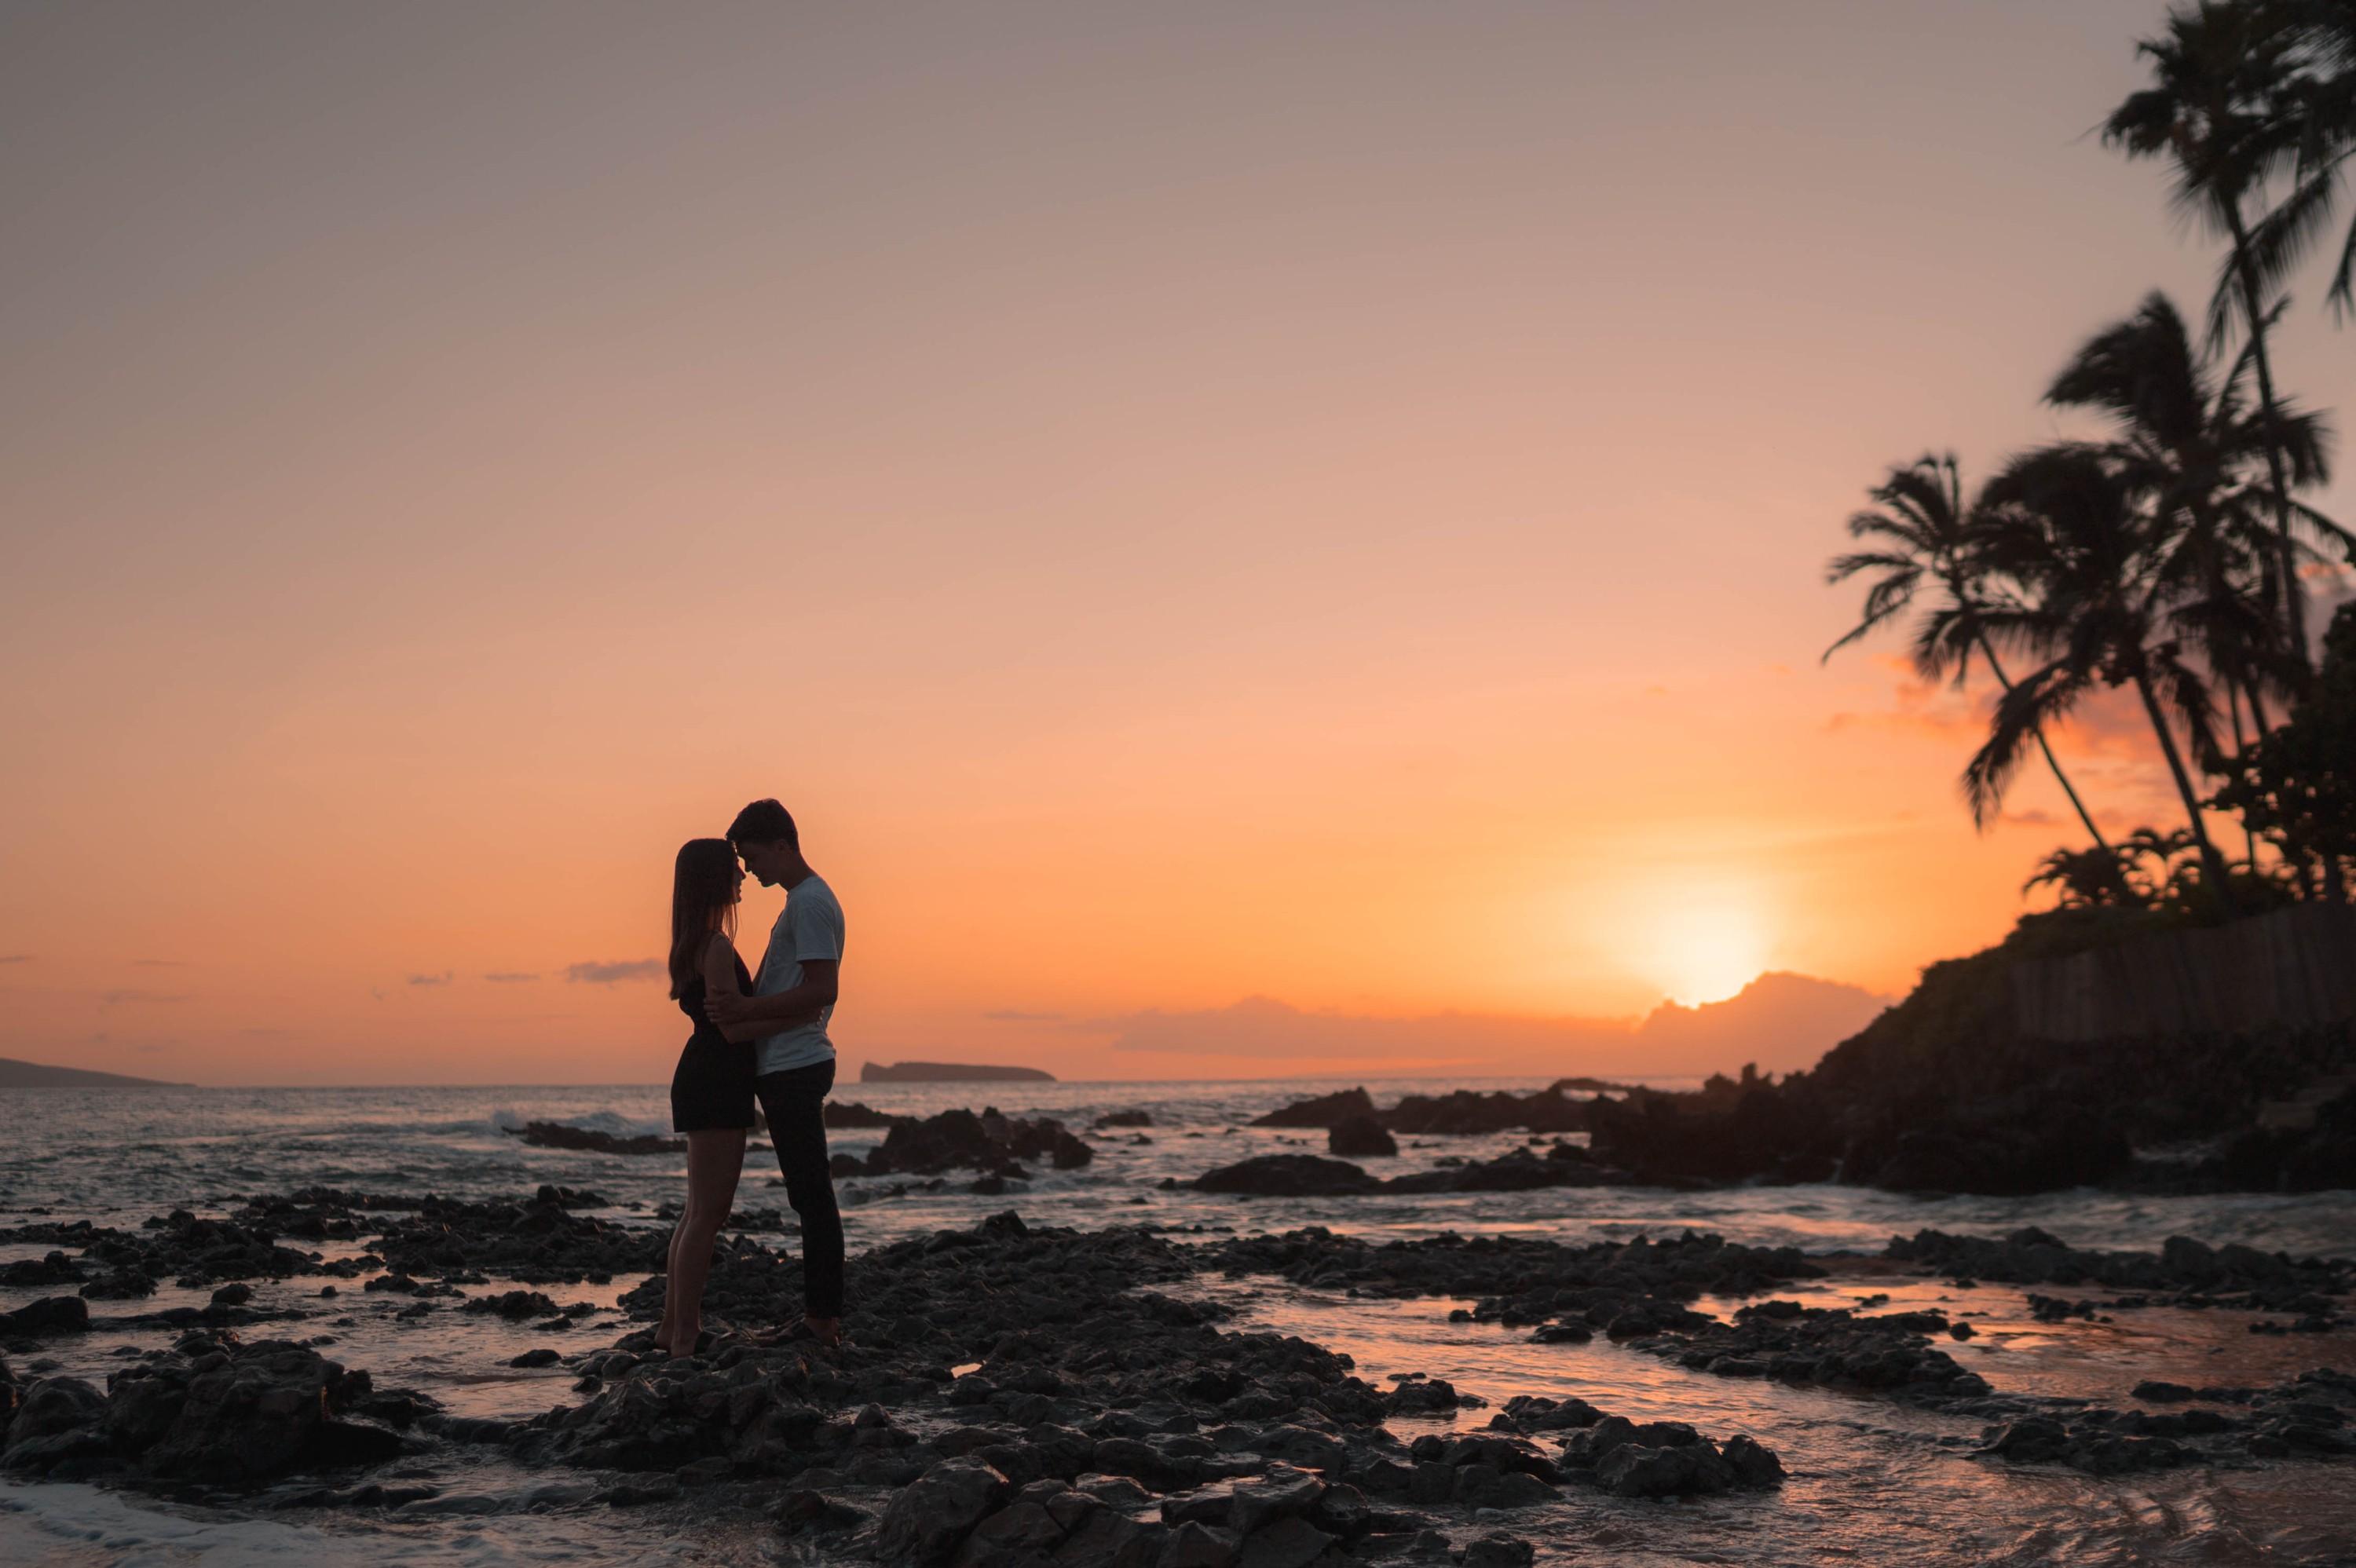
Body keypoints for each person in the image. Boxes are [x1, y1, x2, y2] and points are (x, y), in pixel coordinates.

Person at [705, 798, 848, 1347]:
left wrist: (744, 1011)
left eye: (751, 855)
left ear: (782, 844)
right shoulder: (800, 903)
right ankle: (819, 1317)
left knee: (813, 1197)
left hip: (797, 1063)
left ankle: (821, 1322)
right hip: (788, 1061)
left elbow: (821, 990)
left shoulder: (810, 902)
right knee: (809, 1196)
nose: (747, 867)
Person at [654, 837, 769, 1360]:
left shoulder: (693, 943)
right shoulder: (717, 946)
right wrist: (793, 1016)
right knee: (708, 1213)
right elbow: (733, 1028)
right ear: (712, 879)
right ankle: (684, 1335)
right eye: (733, 871)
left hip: (702, 1074)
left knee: (695, 1210)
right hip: (717, 1077)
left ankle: (671, 1326)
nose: (742, 877)